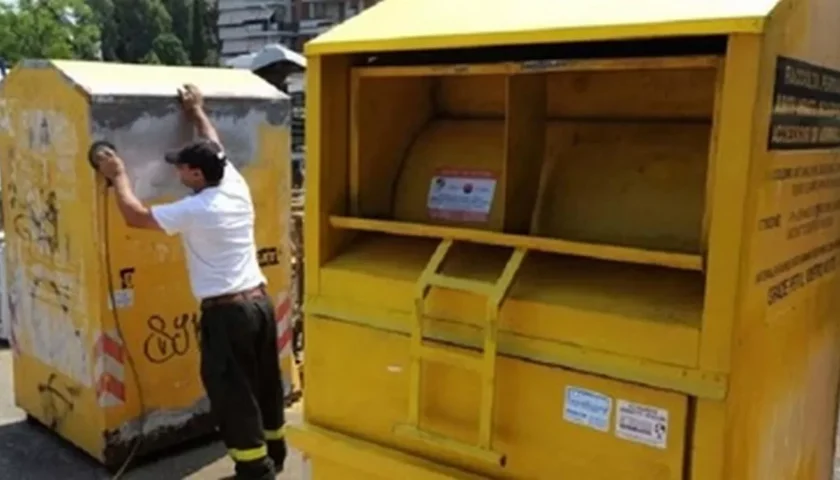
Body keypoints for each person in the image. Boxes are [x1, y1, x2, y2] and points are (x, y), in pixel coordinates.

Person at [95, 84, 287, 480]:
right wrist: (196, 111)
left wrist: (118, 176)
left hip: (228, 314)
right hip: (260, 306)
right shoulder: (232, 183)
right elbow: (213, 141)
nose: (175, 170)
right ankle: (275, 450)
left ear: (197, 174)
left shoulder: (198, 209)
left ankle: (255, 471)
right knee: (264, 383)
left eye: (180, 167)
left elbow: (134, 215)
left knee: (232, 394)